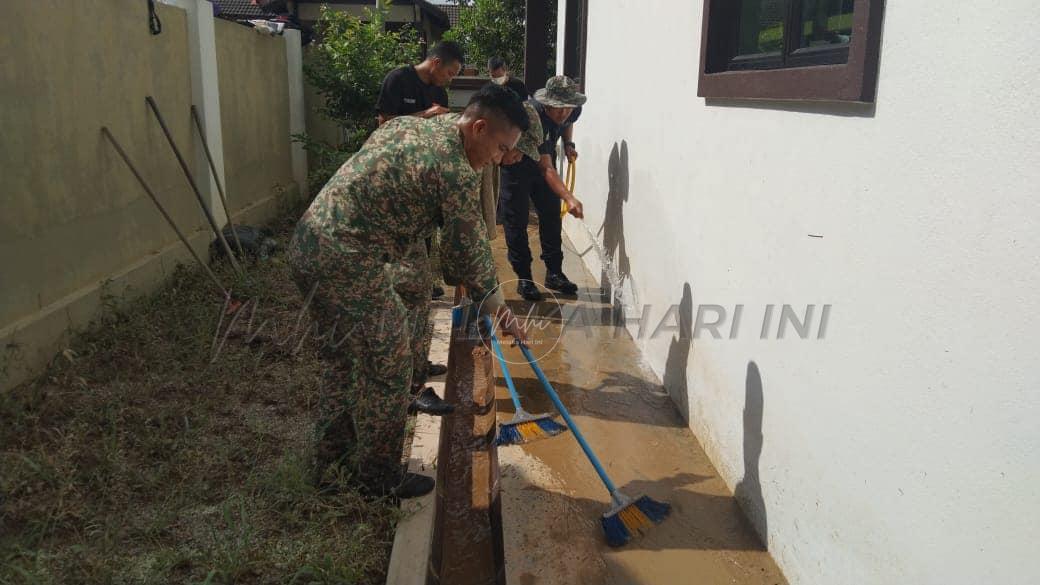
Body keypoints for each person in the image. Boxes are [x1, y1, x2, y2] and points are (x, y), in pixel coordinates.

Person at [287, 85, 529, 500]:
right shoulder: (455, 170)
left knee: (342, 361)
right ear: (479, 127)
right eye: (501, 148)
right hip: (346, 259)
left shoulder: (414, 126)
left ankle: (329, 469)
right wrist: (502, 312)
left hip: (309, 243)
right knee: (393, 364)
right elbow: (465, 255)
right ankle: (377, 477)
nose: (500, 160)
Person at [498, 75, 586, 301]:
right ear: (546, 103)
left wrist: (568, 144)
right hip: (516, 164)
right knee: (516, 221)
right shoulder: (531, 116)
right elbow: (546, 168)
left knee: (551, 217)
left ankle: (554, 274)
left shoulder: (571, 110)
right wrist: (569, 197)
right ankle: (524, 279)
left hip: (545, 163)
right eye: (558, 109)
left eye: (567, 108)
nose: (563, 113)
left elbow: (569, 122)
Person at [376, 40, 464, 126]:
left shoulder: (440, 92)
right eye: (450, 74)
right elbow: (384, 123)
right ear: (437, 62)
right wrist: (424, 115)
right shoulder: (398, 78)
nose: (450, 80)